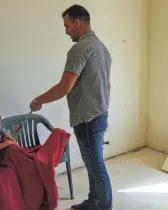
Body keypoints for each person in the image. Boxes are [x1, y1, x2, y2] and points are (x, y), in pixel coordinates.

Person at [30, 4, 112, 210]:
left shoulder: (80, 48)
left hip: (87, 118)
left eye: (67, 26)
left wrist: (39, 100)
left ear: (78, 22)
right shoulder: (102, 48)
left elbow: (64, 87)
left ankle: (105, 206)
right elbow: (107, 85)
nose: (66, 31)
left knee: (96, 167)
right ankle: (94, 202)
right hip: (100, 114)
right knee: (94, 165)